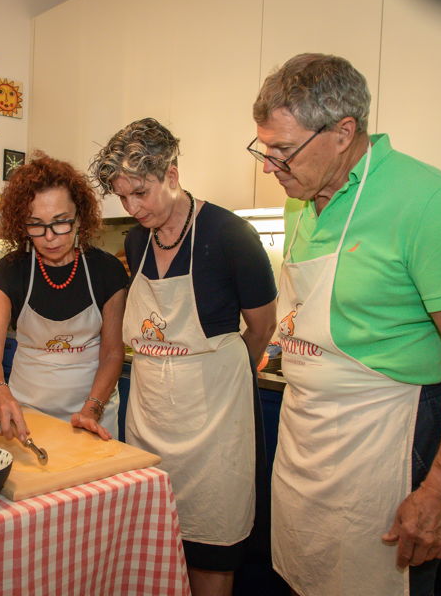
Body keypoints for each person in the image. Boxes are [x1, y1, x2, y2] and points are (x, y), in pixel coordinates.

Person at [249, 53, 441, 596]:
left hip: (387, 441)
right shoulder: (300, 200)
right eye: (264, 148)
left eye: (283, 150)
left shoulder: (426, 201)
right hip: (306, 443)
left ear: (343, 132)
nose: (268, 166)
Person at [91, 118, 277, 596]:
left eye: (141, 193)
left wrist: (214, 374)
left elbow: (261, 328)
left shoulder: (231, 235)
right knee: (156, 541)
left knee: (213, 545)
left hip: (214, 422)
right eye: (123, 197)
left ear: (171, 175)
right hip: (152, 416)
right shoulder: (137, 240)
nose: (133, 208)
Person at [0, 154, 128, 442]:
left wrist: (92, 409)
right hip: (26, 415)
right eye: (36, 224)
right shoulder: (10, 271)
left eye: (60, 222)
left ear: (79, 218)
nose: (49, 237)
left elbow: (112, 353)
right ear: (22, 225)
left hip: (92, 413)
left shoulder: (107, 270)